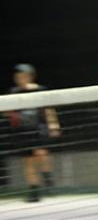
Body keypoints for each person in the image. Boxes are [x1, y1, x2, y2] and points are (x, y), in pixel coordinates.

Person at [5, 64, 60, 202]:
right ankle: (34, 191)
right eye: (17, 76)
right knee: (28, 162)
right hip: (22, 131)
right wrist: (11, 115)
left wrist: (54, 124)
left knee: (41, 153)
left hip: (39, 128)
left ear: (30, 76)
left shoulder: (40, 90)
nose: (20, 78)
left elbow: (48, 109)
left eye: (23, 76)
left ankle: (48, 179)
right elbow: (8, 111)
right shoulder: (14, 92)